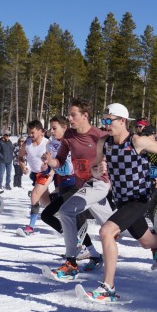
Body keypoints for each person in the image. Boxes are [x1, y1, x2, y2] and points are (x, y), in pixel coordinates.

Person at [82, 103, 157, 302]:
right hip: (120, 199)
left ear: (122, 121)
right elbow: (95, 168)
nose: (105, 125)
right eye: (103, 120)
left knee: (106, 232)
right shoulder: (104, 142)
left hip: (139, 198)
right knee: (147, 242)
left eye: (108, 120)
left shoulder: (137, 141)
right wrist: (98, 170)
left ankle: (108, 288)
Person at [44, 98, 115, 280]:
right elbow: (59, 160)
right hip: (83, 186)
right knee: (117, 226)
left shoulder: (99, 135)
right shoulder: (68, 135)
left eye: (73, 115)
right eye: (69, 114)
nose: (69, 118)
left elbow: (115, 158)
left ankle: (71, 264)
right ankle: (155, 240)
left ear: (85, 116)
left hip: (99, 184)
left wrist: (106, 168)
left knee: (66, 211)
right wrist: (51, 161)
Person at [17, 121, 50, 235]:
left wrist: (48, 164)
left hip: (47, 173)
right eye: (29, 133)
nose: (30, 135)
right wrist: (23, 167)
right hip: (35, 175)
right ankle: (63, 215)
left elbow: (56, 159)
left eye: (32, 133)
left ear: (41, 132)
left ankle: (31, 227)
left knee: (34, 195)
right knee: (46, 203)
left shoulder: (47, 143)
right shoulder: (27, 144)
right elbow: (20, 157)